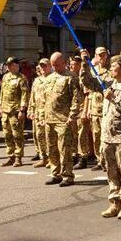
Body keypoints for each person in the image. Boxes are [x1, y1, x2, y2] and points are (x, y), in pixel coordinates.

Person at [80, 51, 121, 219]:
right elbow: (87, 82)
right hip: (107, 137)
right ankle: (114, 202)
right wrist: (85, 63)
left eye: (114, 66)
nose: (110, 69)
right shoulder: (109, 83)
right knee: (111, 172)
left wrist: (114, 98)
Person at [43, 52, 84, 186]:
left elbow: (76, 98)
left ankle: (67, 176)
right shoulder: (49, 78)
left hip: (63, 119)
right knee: (51, 148)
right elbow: (45, 98)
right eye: (52, 64)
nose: (54, 67)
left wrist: (72, 116)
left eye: (57, 64)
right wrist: (43, 115)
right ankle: (56, 173)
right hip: (49, 119)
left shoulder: (71, 77)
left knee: (65, 149)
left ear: (64, 62)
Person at [0, 57, 30, 166]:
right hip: (5, 111)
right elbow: (2, 92)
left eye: (10, 65)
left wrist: (22, 110)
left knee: (17, 135)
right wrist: (0, 107)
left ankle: (18, 157)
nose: (8, 67)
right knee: (7, 135)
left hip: (15, 111)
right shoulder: (6, 77)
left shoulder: (22, 78)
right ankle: (10, 156)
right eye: (8, 65)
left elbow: (25, 95)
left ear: (16, 65)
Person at [85, 47, 112, 172]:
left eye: (103, 55)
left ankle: (108, 161)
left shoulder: (112, 70)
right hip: (96, 109)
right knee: (96, 137)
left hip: (109, 109)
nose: (101, 57)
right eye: (99, 55)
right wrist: (85, 63)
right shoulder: (93, 70)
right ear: (95, 56)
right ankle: (100, 160)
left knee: (108, 137)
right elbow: (87, 84)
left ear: (107, 55)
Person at [29, 59, 52, 167]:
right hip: (38, 112)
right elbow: (32, 96)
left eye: (45, 66)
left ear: (50, 66)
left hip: (49, 113)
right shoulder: (37, 80)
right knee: (39, 135)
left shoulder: (53, 78)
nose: (43, 68)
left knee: (49, 137)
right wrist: (30, 110)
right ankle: (43, 157)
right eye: (41, 66)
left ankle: (52, 158)